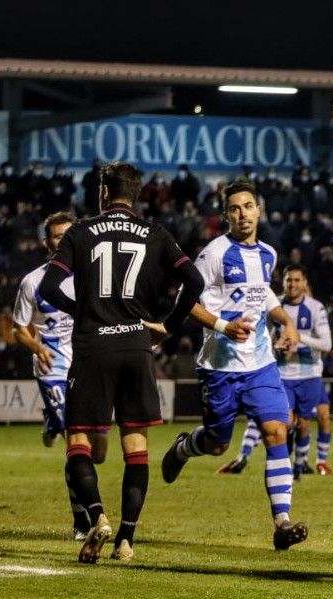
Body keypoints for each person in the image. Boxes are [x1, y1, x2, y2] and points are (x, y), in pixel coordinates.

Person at [40, 160, 204, 564]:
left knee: (78, 441)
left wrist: (83, 312)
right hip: (135, 345)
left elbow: (48, 286)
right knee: (136, 446)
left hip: (93, 346)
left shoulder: (80, 231)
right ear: (138, 193)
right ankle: (127, 541)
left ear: (103, 192)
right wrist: (168, 324)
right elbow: (195, 281)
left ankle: (97, 516)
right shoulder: (156, 233)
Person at [159, 179, 309, 551]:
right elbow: (186, 303)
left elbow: (264, 296)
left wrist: (286, 321)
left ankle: (282, 522)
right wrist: (224, 326)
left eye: (248, 206)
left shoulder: (269, 255)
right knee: (217, 445)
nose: (242, 214)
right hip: (220, 367)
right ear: (226, 215)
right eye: (234, 208)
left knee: (278, 430)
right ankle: (182, 448)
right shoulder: (213, 254)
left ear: (259, 210)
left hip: (260, 365)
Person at [13, 211, 96, 541]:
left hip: (86, 366)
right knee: (74, 441)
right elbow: (19, 329)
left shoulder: (89, 276)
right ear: (46, 242)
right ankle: (81, 520)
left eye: (67, 235)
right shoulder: (33, 282)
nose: (61, 241)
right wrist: (37, 347)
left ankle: (51, 420)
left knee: (90, 446)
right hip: (52, 369)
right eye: (56, 237)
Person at [275, 264, 333, 477]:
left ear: (305, 283)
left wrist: (299, 338)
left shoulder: (315, 307)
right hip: (282, 374)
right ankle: (288, 462)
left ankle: (300, 467)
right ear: (283, 282)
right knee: (287, 421)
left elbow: (326, 344)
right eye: (289, 280)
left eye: (297, 280)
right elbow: (264, 337)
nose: (292, 284)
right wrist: (276, 346)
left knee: (305, 424)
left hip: (309, 374)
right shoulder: (274, 307)